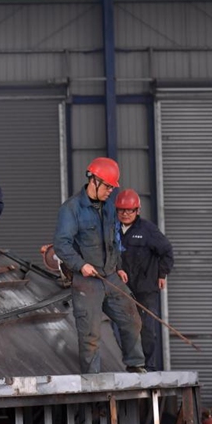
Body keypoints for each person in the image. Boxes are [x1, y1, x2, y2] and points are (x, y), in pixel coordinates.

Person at [52, 157, 146, 374]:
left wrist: (119, 266)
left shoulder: (109, 209)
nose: (110, 191)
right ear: (94, 181)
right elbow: (61, 244)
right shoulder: (71, 209)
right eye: (108, 186)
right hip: (87, 280)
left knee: (131, 317)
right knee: (90, 334)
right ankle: (93, 381)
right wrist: (80, 265)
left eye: (113, 187)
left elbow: (114, 241)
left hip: (110, 276)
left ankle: (135, 365)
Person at [115, 188, 174, 371]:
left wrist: (162, 274)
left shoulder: (148, 230)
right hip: (121, 288)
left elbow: (167, 251)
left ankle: (148, 366)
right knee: (122, 326)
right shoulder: (111, 230)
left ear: (137, 211)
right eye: (121, 210)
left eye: (129, 210)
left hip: (146, 288)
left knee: (147, 328)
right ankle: (132, 364)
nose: (125, 214)